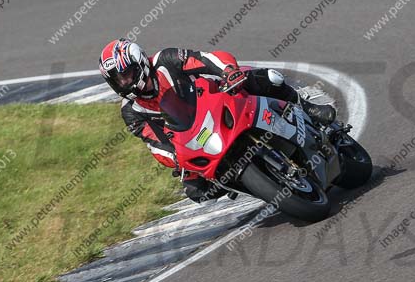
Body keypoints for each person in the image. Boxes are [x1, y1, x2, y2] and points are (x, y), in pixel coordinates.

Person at [99, 38, 336, 202]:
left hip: (221, 94)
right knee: (196, 190)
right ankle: (266, 186)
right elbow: (155, 142)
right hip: (197, 135)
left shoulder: (164, 60)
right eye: (117, 81)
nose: (124, 83)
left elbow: (206, 58)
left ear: (139, 62)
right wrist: (176, 159)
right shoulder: (131, 110)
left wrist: (228, 71)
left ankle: (308, 108)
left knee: (268, 78)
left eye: (126, 74)